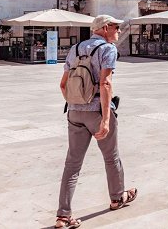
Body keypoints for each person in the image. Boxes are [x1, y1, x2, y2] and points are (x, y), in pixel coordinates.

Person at [55, 15, 137, 229]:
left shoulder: (75, 49)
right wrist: (106, 118)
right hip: (97, 112)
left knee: (72, 164)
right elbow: (106, 83)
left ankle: (63, 216)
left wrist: (77, 103)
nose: (119, 30)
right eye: (116, 27)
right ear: (104, 28)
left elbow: (63, 85)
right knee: (111, 157)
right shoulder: (107, 49)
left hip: (74, 112)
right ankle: (117, 198)